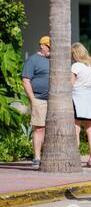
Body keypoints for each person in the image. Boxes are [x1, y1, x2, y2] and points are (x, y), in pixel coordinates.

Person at [22, 36, 51, 170]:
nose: (51, 50)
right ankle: (37, 157)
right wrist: (32, 98)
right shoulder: (33, 60)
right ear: (42, 46)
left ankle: (47, 156)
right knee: (39, 128)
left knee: (50, 130)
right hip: (39, 99)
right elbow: (26, 80)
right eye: (49, 47)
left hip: (54, 101)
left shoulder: (54, 59)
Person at [71, 42, 91, 168]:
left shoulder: (76, 66)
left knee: (76, 130)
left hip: (78, 99)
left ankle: (76, 158)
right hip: (90, 100)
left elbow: (70, 84)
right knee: (90, 130)